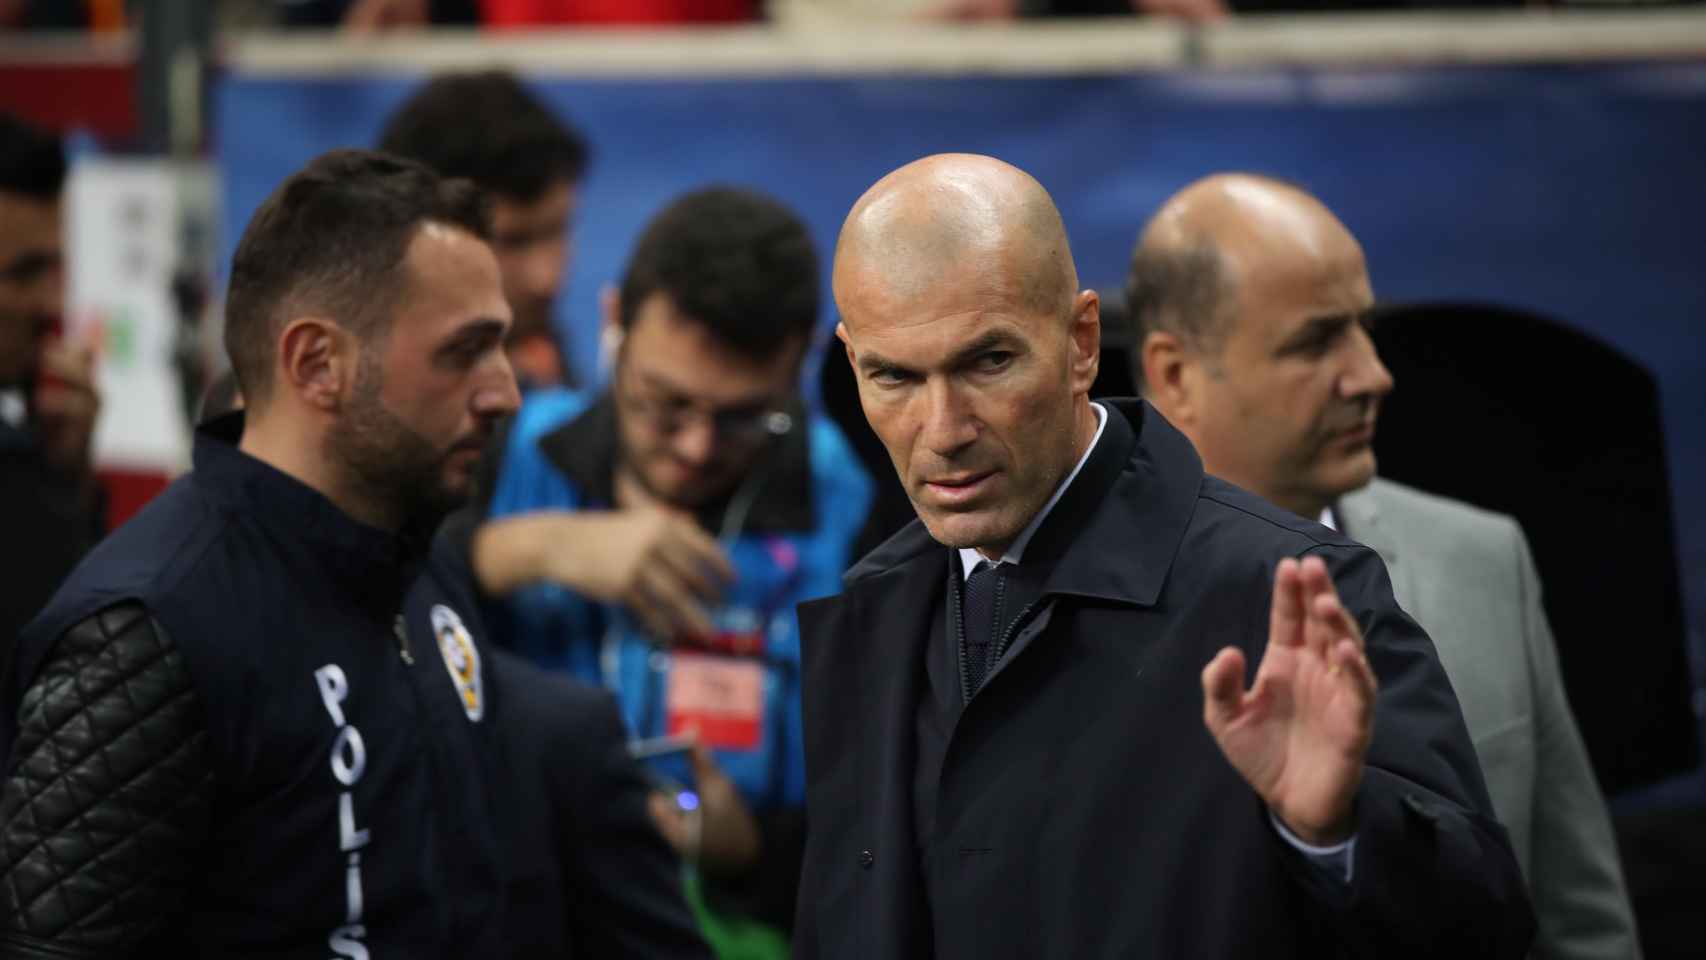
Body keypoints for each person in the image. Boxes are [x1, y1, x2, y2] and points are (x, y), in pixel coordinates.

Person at [794, 153, 1533, 958]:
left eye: (989, 361)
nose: (942, 430)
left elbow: (1486, 931)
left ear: (1081, 343)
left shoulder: (1291, 594)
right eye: (893, 376)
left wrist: (1338, 830)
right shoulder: (877, 613)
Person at [2, 148, 515, 957]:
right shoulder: (149, 632)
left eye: (501, 347)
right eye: (463, 351)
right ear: (318, 364)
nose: (503, 391)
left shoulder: (421, 570)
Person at [1128, 172, 1640, 959]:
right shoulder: (1065, 598)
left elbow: (1578, 915)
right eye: (1315, 341)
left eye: (1364, 328)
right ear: (1173, 375)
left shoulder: (1482, 560)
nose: (1373, 374)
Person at [467, 186, 871, 951]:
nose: (694, 447)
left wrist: (749, 847)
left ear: (802, 360)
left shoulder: (853, 504)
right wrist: (529, 548)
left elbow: (885, 823)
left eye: (744, 417)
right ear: (614, 322)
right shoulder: (505, 451)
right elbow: (371, 618)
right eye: (664, 403)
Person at [379, 70, 589, 389]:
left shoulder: (539, 353)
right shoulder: (362, 404)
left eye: (557, 231)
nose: (546, 280)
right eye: (512, 242)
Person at [0, 113, 101, 661]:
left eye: (54, 272)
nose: (49, 306)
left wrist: (67, 479)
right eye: (23, 273)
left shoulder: (28, 446)